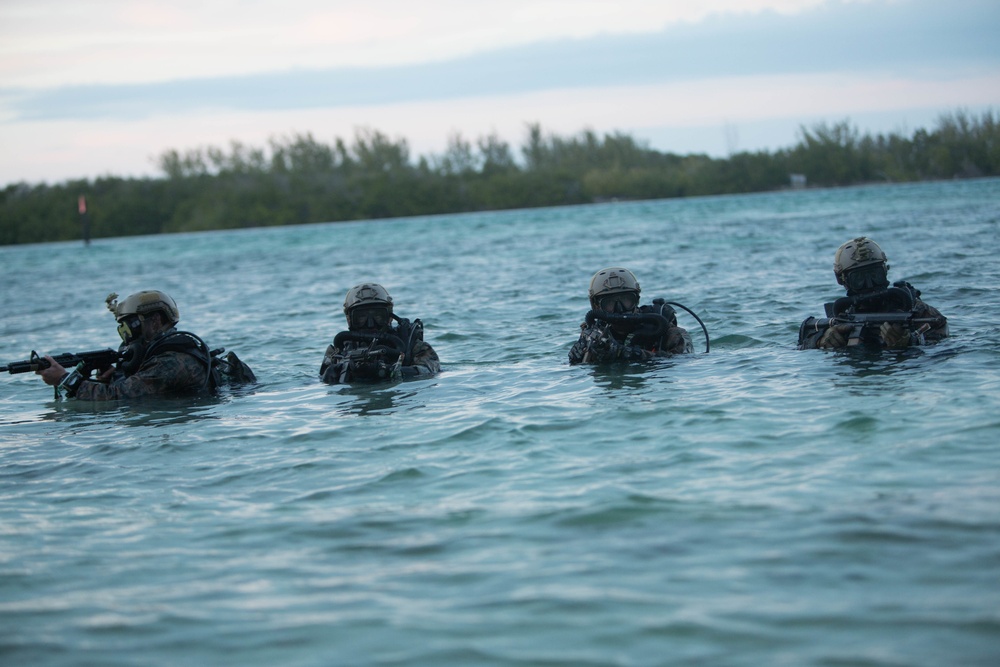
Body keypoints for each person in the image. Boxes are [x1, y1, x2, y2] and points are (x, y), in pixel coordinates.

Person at [36, 290, 255, 400]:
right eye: (122, 329)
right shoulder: (166, 355)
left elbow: (117, 398)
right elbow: (130, 388)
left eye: (130, 327)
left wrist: (65, 379)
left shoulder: (171, 362)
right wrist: (115, 375)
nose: (127, 337)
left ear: (156, 321)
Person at [798, 237, 949, 350]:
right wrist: (821, 341)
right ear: (841, 279)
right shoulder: (841, 316)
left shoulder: (915, 311)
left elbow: (943, 345)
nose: (869, 284)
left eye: (875, 275)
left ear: (885, 271)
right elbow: (801, 347)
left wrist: (911, 342)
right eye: (859, 279)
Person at [569, 267, 693, 364]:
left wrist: (628, 354)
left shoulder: (662, 326)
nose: (620, 309)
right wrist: (576, 358)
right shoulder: (594, 335)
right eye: (610, 303)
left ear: (637, 300)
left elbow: (684, 360)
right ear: (596, 306)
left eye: (626, 300)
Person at [320, 283, 440, 384]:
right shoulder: (337, 351)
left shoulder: (412, 345)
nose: (370, 324)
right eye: (361, 317)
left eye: (378, 316)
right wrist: (330, 374)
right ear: (349, 318)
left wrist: (389, 371)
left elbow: (430, 371)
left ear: (390, 316)